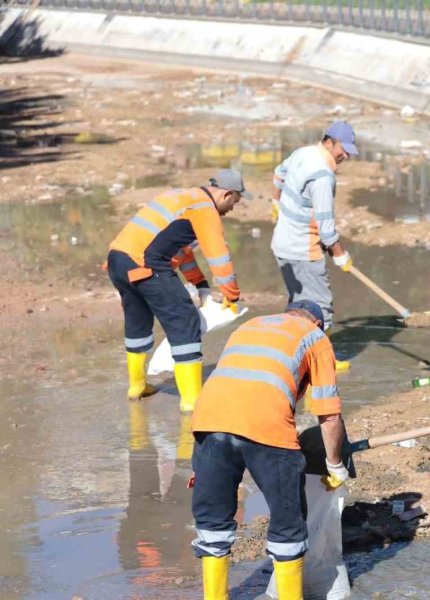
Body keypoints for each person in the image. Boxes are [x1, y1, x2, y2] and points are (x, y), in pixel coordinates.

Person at [189, 300, 349, 600]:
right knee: (288, 525)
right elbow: (328, 414)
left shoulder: (251, 326)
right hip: (267, 428)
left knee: (212, 524)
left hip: (208, 422)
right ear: (317, 323)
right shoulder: (316, 337)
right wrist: (336, 466)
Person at [107, 169, 248, 412]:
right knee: (185, 320)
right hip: (145, 265)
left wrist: (201, 284)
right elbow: (218, 254)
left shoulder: (182, 196)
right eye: (235, 201)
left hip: (117, 261)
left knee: (137, 320)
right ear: (227, 193)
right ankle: (193, 401)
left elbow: (180, 250)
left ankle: (137, 386)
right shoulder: (205, 210)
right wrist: (231, 293)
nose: (232, 208)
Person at [271, 122, 357, 371]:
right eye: (343, 149)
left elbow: (279, 173)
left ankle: (294, 356)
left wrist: (275, 201)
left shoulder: (303, 153)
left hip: (282, 245)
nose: (345, 155)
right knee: (320, 306)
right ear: (329, 142)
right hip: (304, 250)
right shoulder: (322, 176)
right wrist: (340, 255)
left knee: (299, 303)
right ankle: (320, 364)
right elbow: (326, 226)